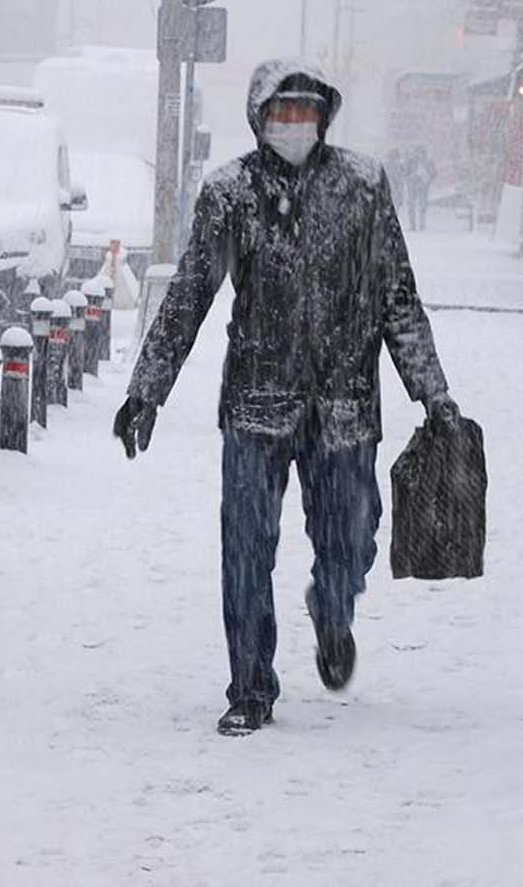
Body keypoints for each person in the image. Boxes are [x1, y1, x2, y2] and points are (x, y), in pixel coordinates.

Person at [113, 59, 460, 736]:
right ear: (260, 119)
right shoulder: (231, 194)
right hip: (256, 403)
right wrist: (146, 391)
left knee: (352, 540)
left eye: (306, 113)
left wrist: (434, 394)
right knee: (245, 549)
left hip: (345, 405)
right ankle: (249, 687)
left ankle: (334, 610)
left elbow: (397, 298)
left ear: (324, 119)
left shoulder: (361, 189)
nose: (294, 125)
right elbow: (189, 296)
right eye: (282, 114)